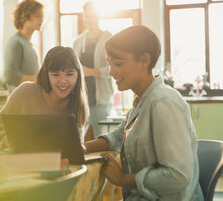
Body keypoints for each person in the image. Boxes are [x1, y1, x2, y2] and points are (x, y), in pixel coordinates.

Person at [83, 26, 204, 200]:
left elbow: (178, 176)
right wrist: (81, 148)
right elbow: (119, 136)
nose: (111, 72)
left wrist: (125, 179)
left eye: (118, 64)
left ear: (144, 60)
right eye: (110, 64)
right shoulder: (142, 100)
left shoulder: (163, 102)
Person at [0, 46, 89, 143]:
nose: (63, 81)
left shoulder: (77, 104)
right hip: (22, 162)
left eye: (69, 74)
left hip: (57, 164)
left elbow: (76, 148)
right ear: (47, 75)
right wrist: (7, 139)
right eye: (55, 75)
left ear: (78, 75)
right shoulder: (26, 93)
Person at [73, 1, 114, 138]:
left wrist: (91, 72)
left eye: (91, 14)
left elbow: (114, 67)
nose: (88, 18)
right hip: (81, 99)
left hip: (101, 100)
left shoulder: (109, 38)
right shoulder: (78, 41)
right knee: (77, 138)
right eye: (86, 15)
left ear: (98, 15)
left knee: (103, 138)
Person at [4, 0, 44, 93]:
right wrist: (40, 79)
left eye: (42, 16)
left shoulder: (33, 46)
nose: (42, 20)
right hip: (19, 103)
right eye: (37, 16)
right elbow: (10, 76)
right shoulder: (16, 42)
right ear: (25, 16)